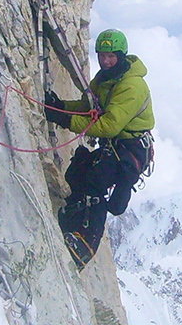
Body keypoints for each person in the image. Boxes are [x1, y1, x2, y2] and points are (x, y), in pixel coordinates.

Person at [44, 28, 155, 267]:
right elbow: (88, 106)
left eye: (111, 56)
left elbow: (108, 126)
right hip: (116, 146)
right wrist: (61, 106)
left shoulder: (132, 86)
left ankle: (85, 245)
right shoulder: (105, 80)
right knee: (78, 170)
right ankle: (71, 223)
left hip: (129, 149)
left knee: (95, 181)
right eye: (102, 55)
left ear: (121, 55)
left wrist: (61, 118)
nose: (105, 60)